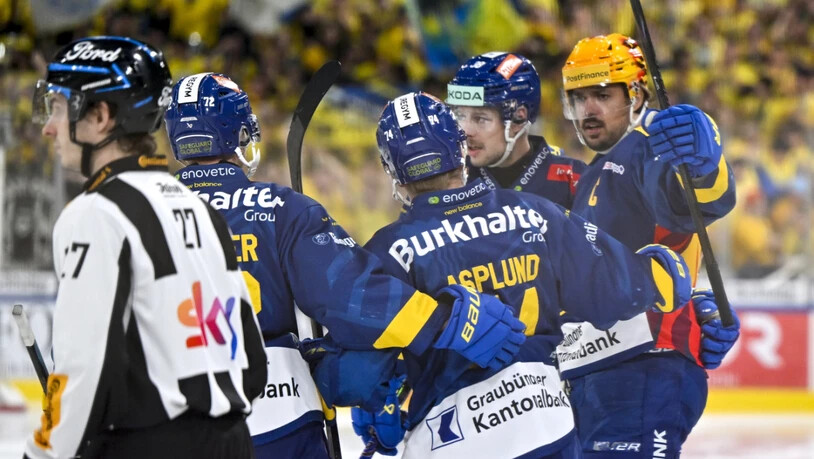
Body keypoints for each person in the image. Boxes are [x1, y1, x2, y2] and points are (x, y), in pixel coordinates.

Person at [164, 73, 528, 458]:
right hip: (275, 419)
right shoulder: (278, 208)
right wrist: (445, 320)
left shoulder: (136, 215)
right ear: (239, 134)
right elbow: (350, 295)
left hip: (167, 425)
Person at [331, 91, 695, 458]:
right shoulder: (534, 212)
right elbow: (619, 291)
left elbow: (357, 370)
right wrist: (658, 274)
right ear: (459, 148)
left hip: (449, 440)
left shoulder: (386, 249)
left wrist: (376, 402)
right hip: (545, 425)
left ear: (392, 169)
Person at [26, 37, 268, 459]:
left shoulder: (95, 213)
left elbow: (81, 369)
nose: (48, 127)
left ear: (100, 116)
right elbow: (251, 362)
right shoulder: (198, 208)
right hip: (233, 443)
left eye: (59, 108)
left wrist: (41, 453)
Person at [558, 33, 740, 457]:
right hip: (599, 374)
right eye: (578, 97)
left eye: (601, 94)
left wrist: (702, 165)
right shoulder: (594, 173)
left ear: (635, 93)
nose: (587, 110)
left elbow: (698, 201)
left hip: (644, 370)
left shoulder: (653, 148)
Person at [446, 52, 584, 209]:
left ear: (518, 119)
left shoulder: (575, 179)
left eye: (480, 119)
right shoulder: (448, 180)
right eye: (460, 116)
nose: (465, 131)